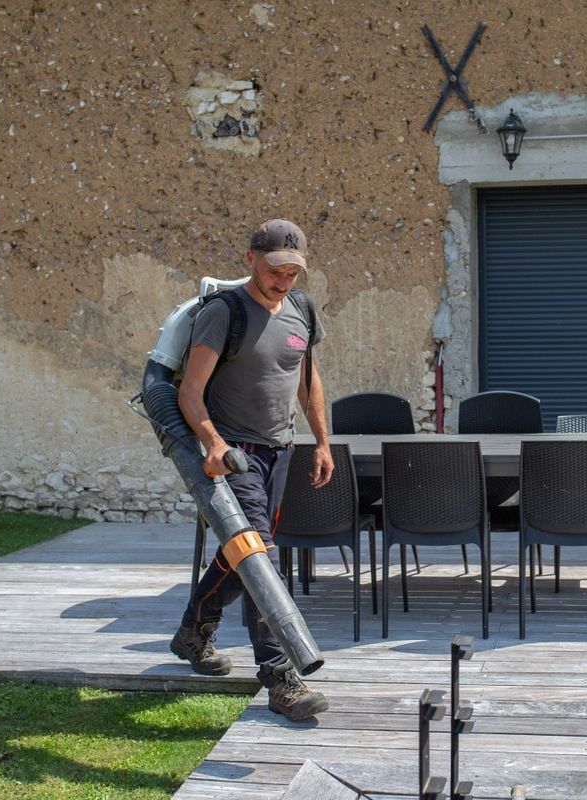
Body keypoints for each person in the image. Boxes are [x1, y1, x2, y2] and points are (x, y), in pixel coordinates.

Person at [169, 218, 333, 721]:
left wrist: (322, 441)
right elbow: (189, 391)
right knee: (259, 557)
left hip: (279, 452)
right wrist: (213, 444)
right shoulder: (225, 312)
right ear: (250, 259)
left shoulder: (302, 309)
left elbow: (307, 381)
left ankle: (194, 630)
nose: (285, 280)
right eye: (276, 269)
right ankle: (280, 677)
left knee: (245, 553)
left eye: (294, 272)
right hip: (234, 454)